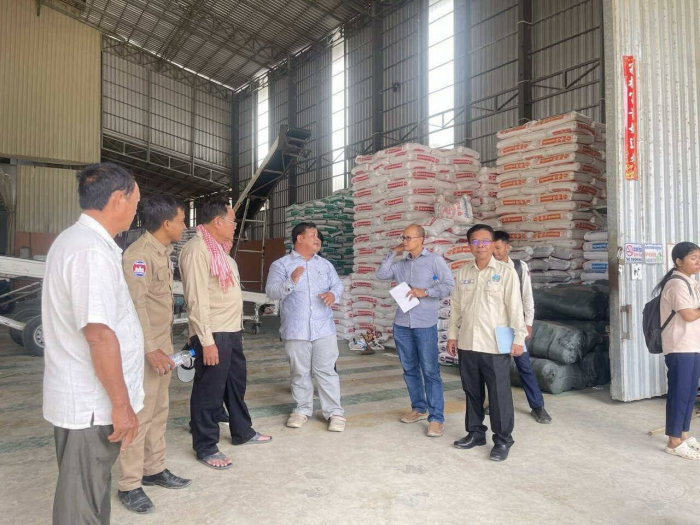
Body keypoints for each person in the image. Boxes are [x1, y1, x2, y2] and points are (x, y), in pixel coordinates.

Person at [42, 163, 143, 524]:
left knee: (92, 494)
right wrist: (122, 405)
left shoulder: (85, 243)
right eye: (135, 203)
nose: (136, 211)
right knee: (80, 506)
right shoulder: (90, 252)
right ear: (117, 200)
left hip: (92, 400)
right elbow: (98, 334)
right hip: (91, 404)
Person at [179, 200, 271, 470]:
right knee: (209, 390)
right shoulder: (196, 250)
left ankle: (242, 431)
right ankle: (206, 445)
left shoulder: (221, 253)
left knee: (235, 384)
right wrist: (206, 341)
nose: (235, 227)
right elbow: (196, 299)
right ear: (218, 222)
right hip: (212, 332)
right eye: (232, 222)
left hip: (230, 330)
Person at [117, 195, 191, 514]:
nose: (184, 226)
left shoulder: (163, 252)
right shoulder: (139, 255)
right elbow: (136, 306)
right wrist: (150, 349)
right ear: (166, 223)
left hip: (163, 345)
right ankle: (129, 484)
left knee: (160, 409)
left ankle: (154, 468)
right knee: (141, 414)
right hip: (147, 350)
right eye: (182, 220)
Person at [447, 224, 526, 462]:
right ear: (469, 245)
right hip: (468, 342)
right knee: (472, 391)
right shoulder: (463, 272)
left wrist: (519, 338)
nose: (480, 246)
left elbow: (515, 308)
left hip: (495, 344)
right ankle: (475, 433)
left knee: (499, 394)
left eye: (484, 241)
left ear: (492, 245)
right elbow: (456, 307)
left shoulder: (506, 272)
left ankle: (502, 440)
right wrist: (452, 335)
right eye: (475, 241)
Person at [266, 222, 346, 431]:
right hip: (296, 329)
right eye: (312, 235)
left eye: (317, 235)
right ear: (299, 239)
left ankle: (334, 412)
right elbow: (271, 291)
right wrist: (291, 281)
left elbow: (338, 284)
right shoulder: (281, 265)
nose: (317, 239)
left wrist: (333, 294)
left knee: (327, 371)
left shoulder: (325, 265)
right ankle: (302, 410)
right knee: (300, 372)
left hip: (323, 328)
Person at [376, 224, 454, 438]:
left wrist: (425, 292)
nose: (404, 241)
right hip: (402, 323)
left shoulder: (434, 261)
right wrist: (393, 252)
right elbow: (381, 274)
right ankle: (418, 408)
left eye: (408, 238)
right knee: (409, 369)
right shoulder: (400, 264)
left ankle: (436, 418)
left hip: (424, 324)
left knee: (430, 371)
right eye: (403, 237)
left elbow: (449, 285)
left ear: (421, 239)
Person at [493, 231, 552, 424]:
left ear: (507, 247)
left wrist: (528, 323)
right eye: (492, 248)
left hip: (514, 325)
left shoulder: (519, 267)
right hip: (493, 325)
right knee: (495, 369)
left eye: (498, 248)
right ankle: (494, 403)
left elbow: (527, 297)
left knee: (524, 366)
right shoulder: (487, 267)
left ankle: (538, 407)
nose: (495, 252)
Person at [655, 242, 700, 460]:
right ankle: (673, 442)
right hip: (679, 346)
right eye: (693, 258)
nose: (698, 262)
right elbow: (689, 315)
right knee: (679, 393)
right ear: (679, 261)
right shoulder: (676, 284)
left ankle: (683, 435)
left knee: (689, 393)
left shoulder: (691, 282)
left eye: (699, 258)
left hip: (692, 345)